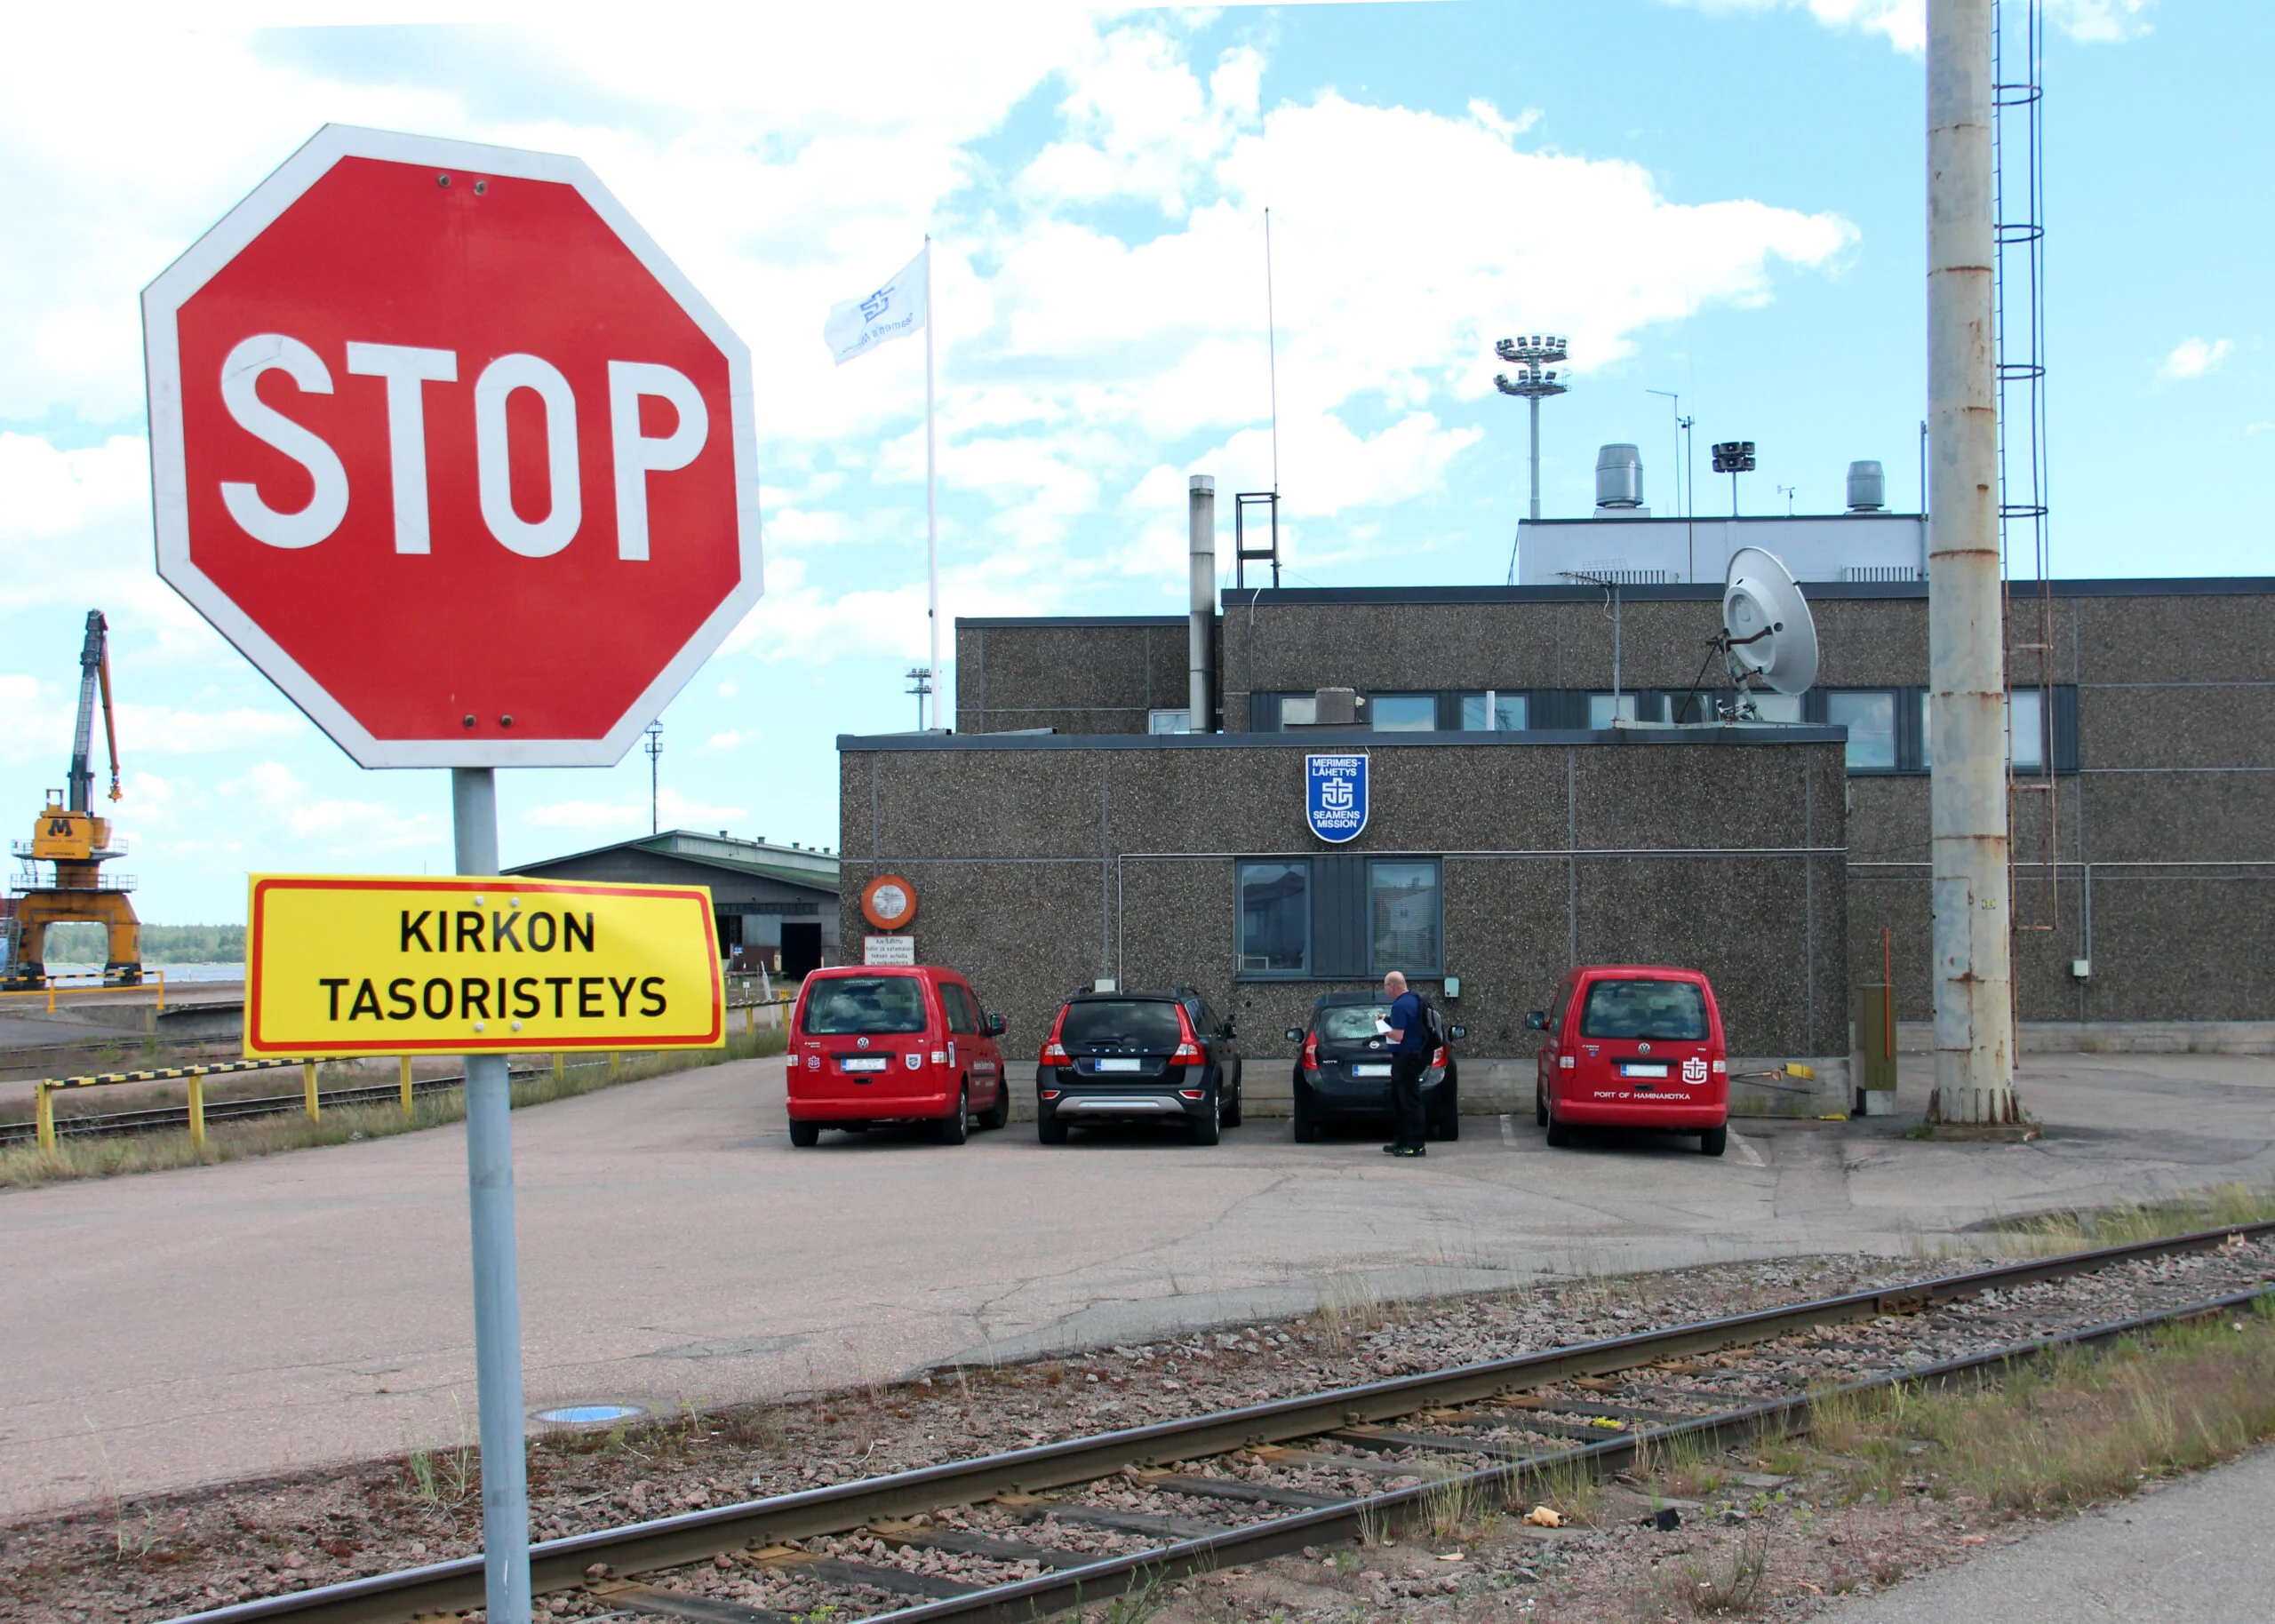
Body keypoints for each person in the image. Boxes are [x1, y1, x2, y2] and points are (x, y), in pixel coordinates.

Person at [1380, 970, 1429, 1157]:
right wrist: (1388, 1020)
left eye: (1385, 987)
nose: (1385, 991)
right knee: (1398, 1099)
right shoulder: (1413, 999)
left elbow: (1398, 1035)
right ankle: (1402, 1140)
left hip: (1406, 1058)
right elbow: (1409, 1025)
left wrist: (1384, 1030)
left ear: (1392, 986)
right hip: (1411, 1056)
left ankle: (1416, 1145)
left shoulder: (1399, 1005)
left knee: (1409, 1101)